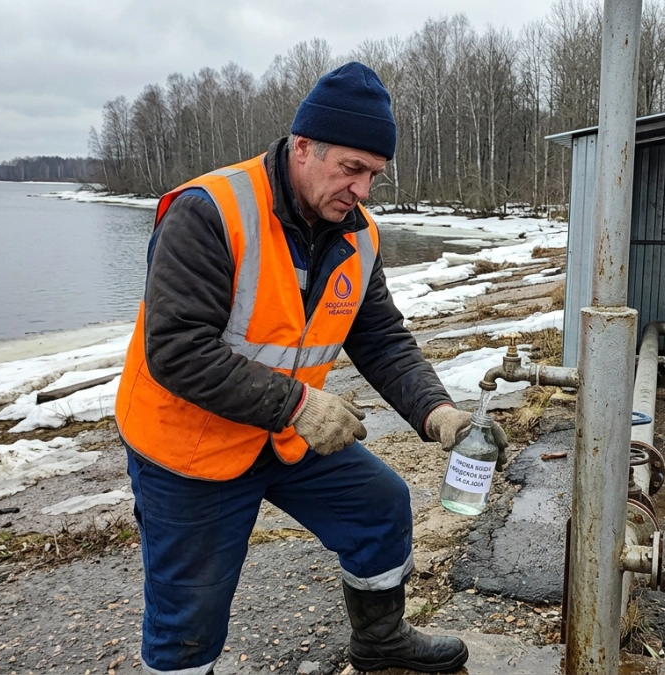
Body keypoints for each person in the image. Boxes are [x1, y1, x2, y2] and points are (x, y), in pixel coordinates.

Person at [115, 61, 507, 675]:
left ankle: (380, 641)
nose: (362, 190)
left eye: (373, 174)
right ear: (303, 148)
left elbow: (379, 337)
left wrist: (440, 413)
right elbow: (177, 349)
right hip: (190, 445)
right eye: (351, 169)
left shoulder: (358, 235)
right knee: (188, 614)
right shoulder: (209, 211)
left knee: (380, 507)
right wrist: (298, 405)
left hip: (284, 434)